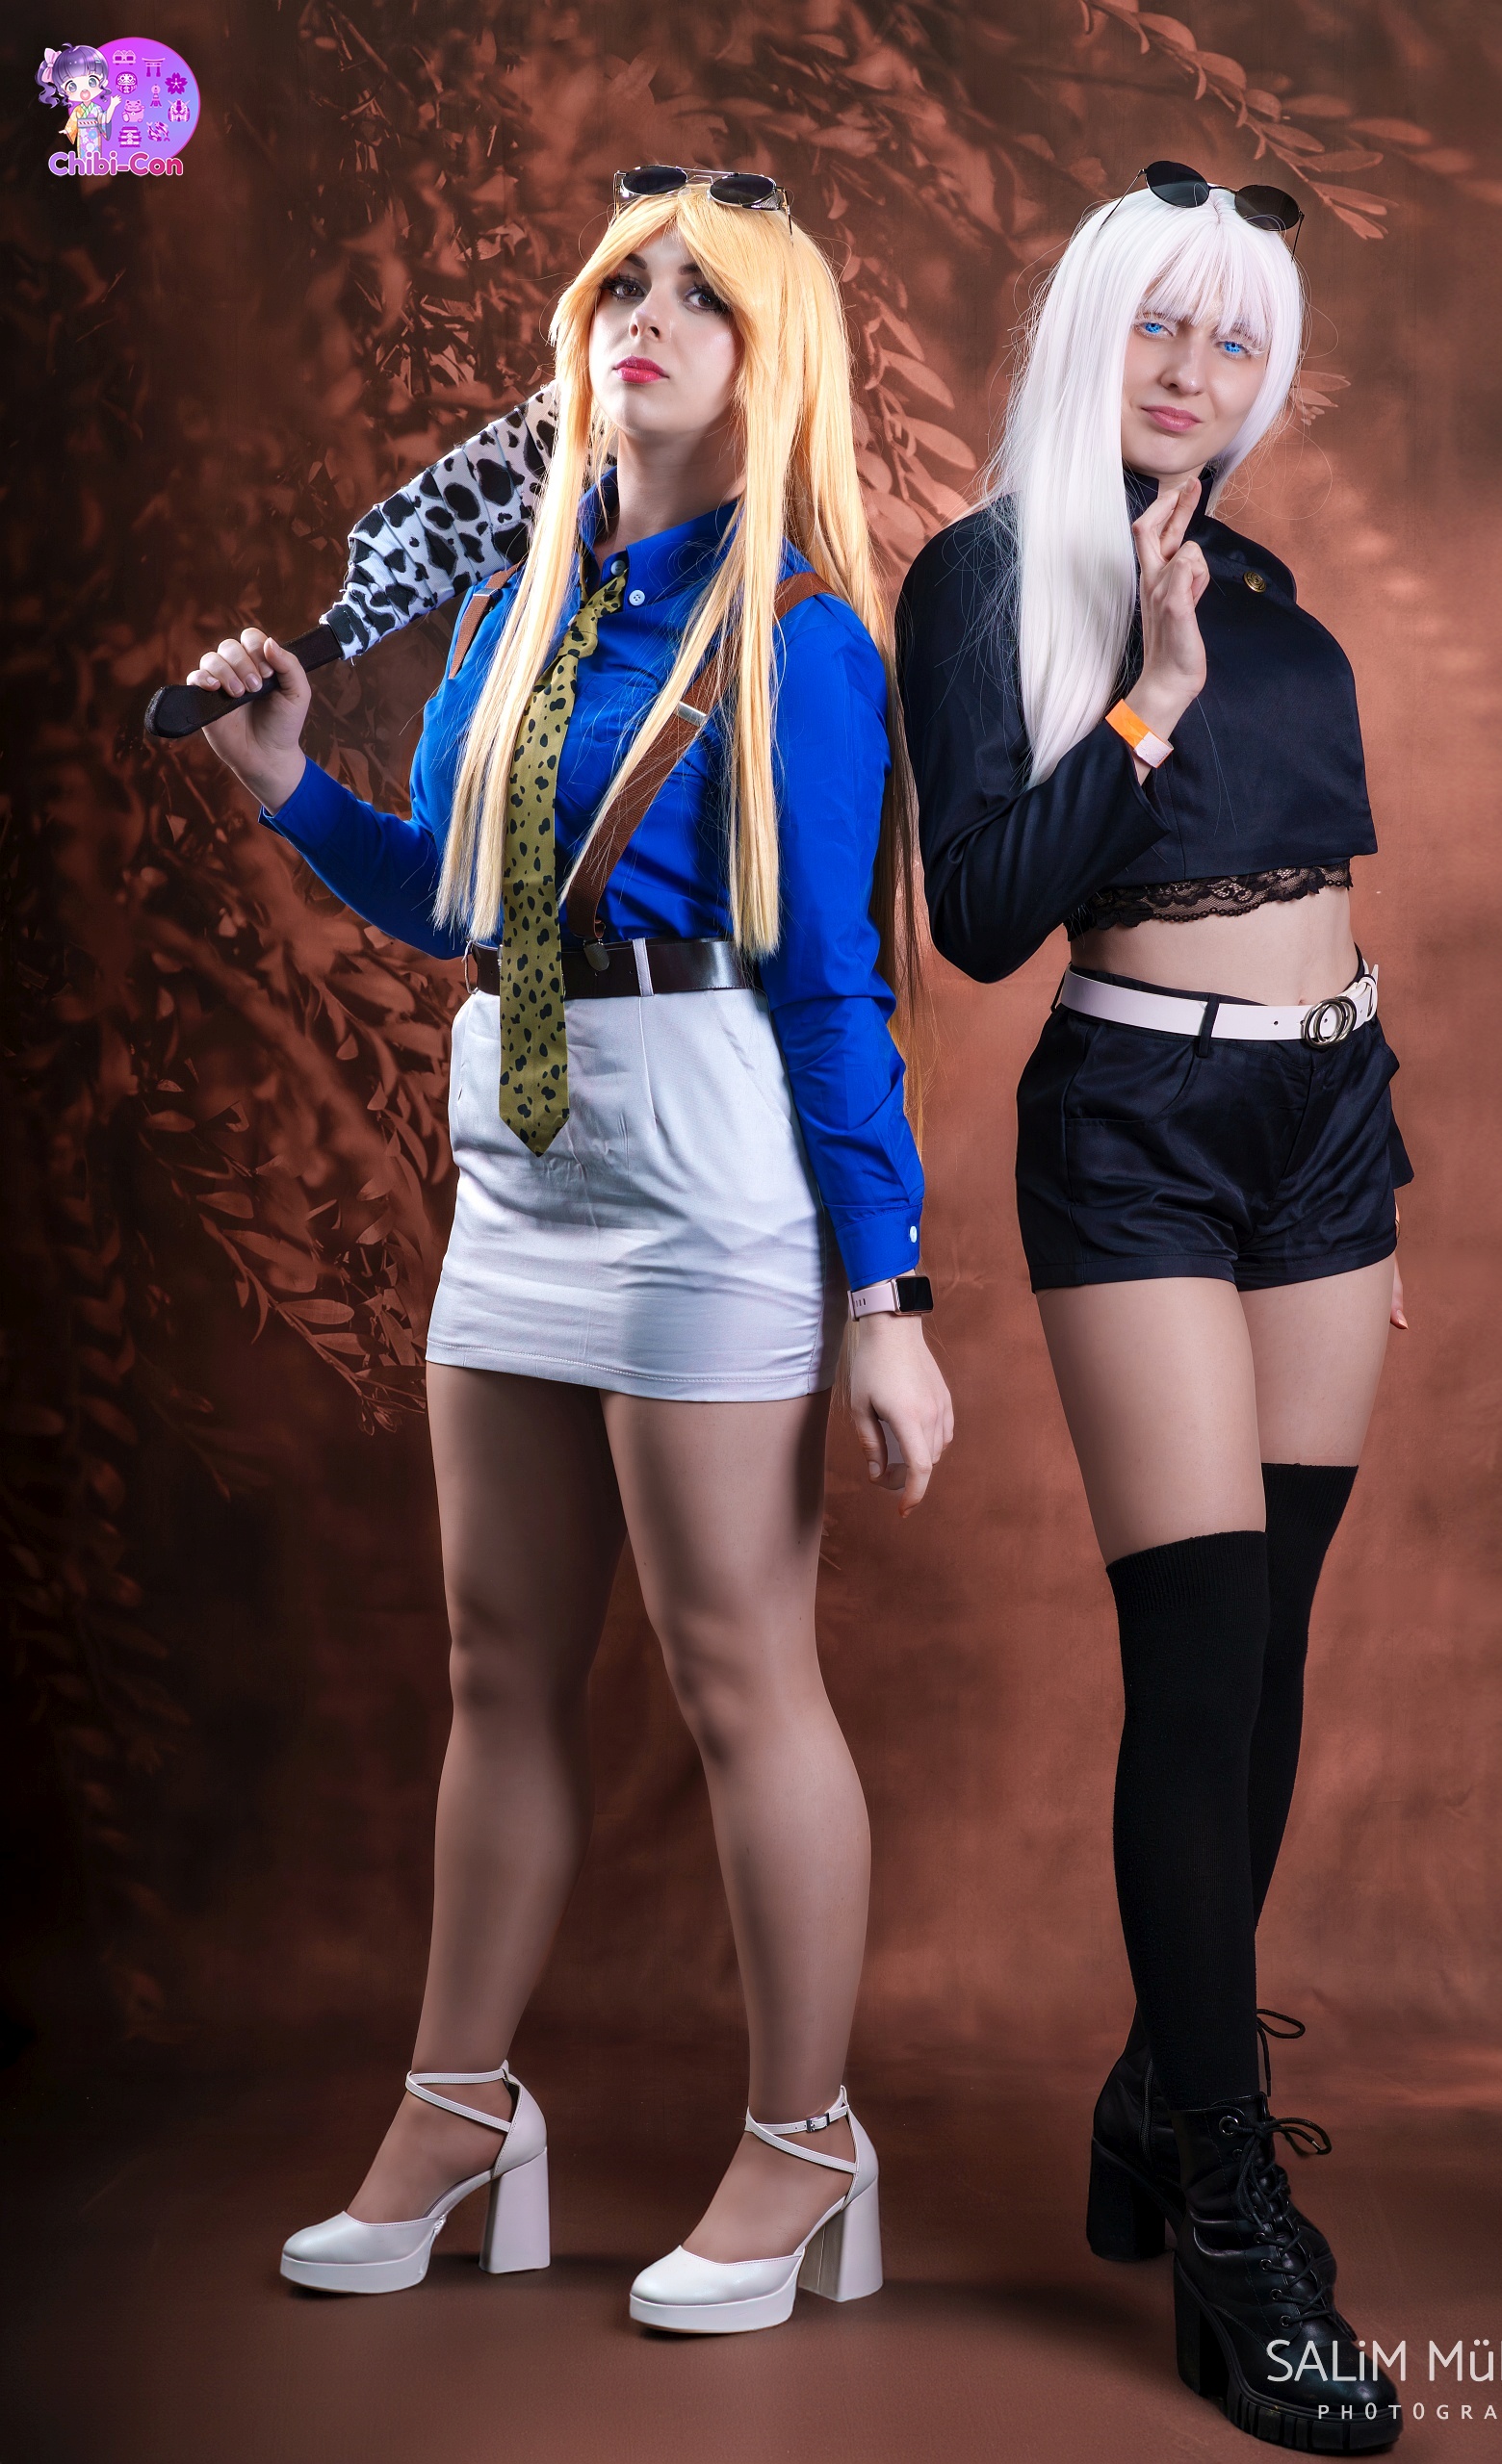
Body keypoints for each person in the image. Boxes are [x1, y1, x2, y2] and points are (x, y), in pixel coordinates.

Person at [185, 164, 951, 2335]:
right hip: (518, 1162)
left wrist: (885, 1298)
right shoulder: (521, 604)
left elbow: (835, 991)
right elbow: (456, 905)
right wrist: (284, 785)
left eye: (704, 296)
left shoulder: (799, 634)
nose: (649, 317)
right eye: (627, 281)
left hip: (709, 1168)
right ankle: (458, 2111)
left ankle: (806, 2140)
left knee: (737, 1674)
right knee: (495, 1665)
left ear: (768, 359)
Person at [897, 165, 1409, 2451]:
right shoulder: (984, 574)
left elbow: (1304, 871)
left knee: (1275, 1638)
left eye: (1235, 337)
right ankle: (1225, 2211)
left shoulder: (1255, 568)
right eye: (1157, 324)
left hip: (1330, 1123)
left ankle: (1145, 2087)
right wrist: (1141, 699)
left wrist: (1369, 1134)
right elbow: (981, 918)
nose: (1196, 370)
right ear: (1083, 322)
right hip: (1135, 1129)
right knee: (1196, 1655)